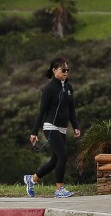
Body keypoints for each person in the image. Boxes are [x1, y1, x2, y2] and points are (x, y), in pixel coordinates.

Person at [24, 57, 81, 198]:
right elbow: (41, 111)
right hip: (50, 126)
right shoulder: (49, 89)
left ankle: (32, 179)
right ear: (55, 70)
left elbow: (71, 109)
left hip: (62, 128)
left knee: (55, 161)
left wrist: (76, 127)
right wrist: (34, 132)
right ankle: (59, 189)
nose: (66, 72)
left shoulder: (68, 87)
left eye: (68, 70)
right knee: (63, 157)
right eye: (63, 70)